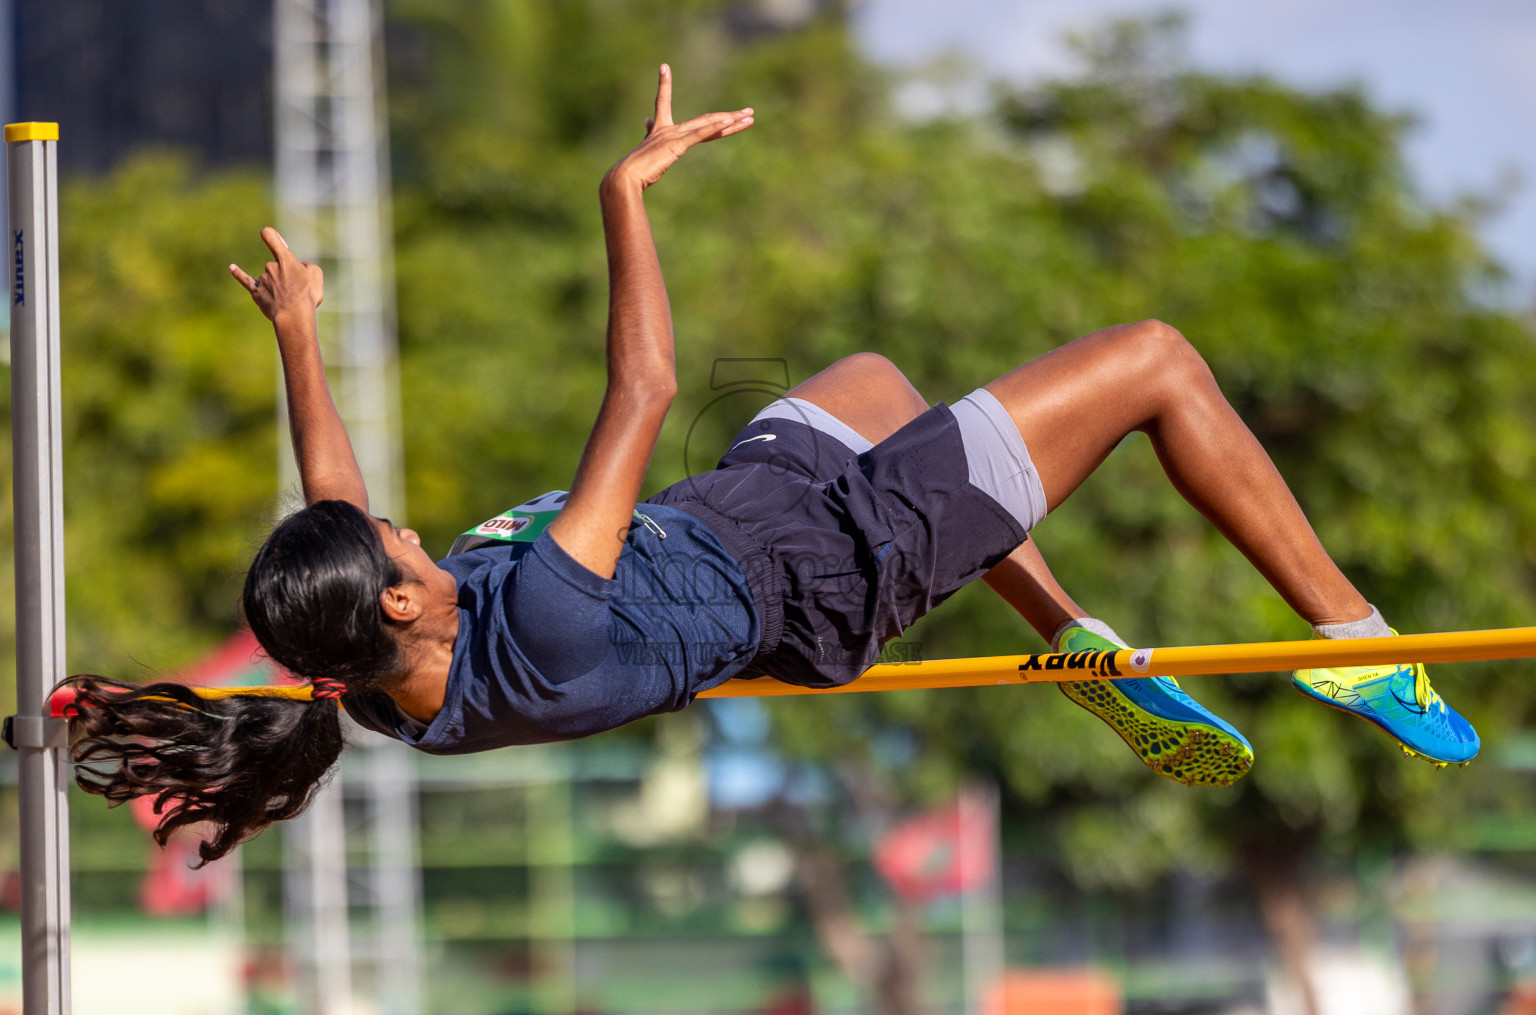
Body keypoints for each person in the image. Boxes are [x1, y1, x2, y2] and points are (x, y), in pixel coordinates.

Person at [63, 67, 1477, 865]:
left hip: (742, 519)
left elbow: (340, 506)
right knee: (1157, 359)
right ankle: (1351, 639)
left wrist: (300, 338)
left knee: (874, 381)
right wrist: (622, 195)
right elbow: (647, 386)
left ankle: (1082, 643)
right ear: (401, 608)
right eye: (409, 553)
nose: (417, 534)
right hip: (829, 567)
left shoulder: (381, 683)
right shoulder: (539, 631)